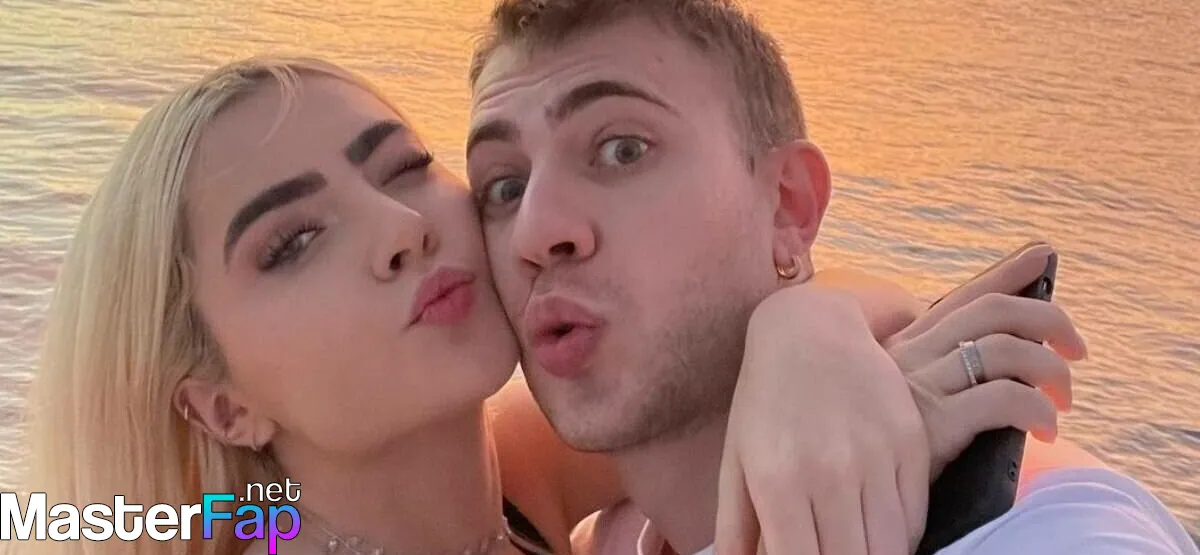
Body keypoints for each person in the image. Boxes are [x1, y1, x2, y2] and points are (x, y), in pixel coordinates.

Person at [13, 55, 1059, 555]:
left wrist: (798, 329)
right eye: (292, 243)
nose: (399, 226)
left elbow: (828, 308)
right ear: (223, 406)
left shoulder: (509, 470)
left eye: (403, 166)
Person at [463, 0, 1200, 554]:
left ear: (788, 205)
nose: (535, 232)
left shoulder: (1044, 530)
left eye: (623, 149)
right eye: (503, 186)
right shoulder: (613, 528)